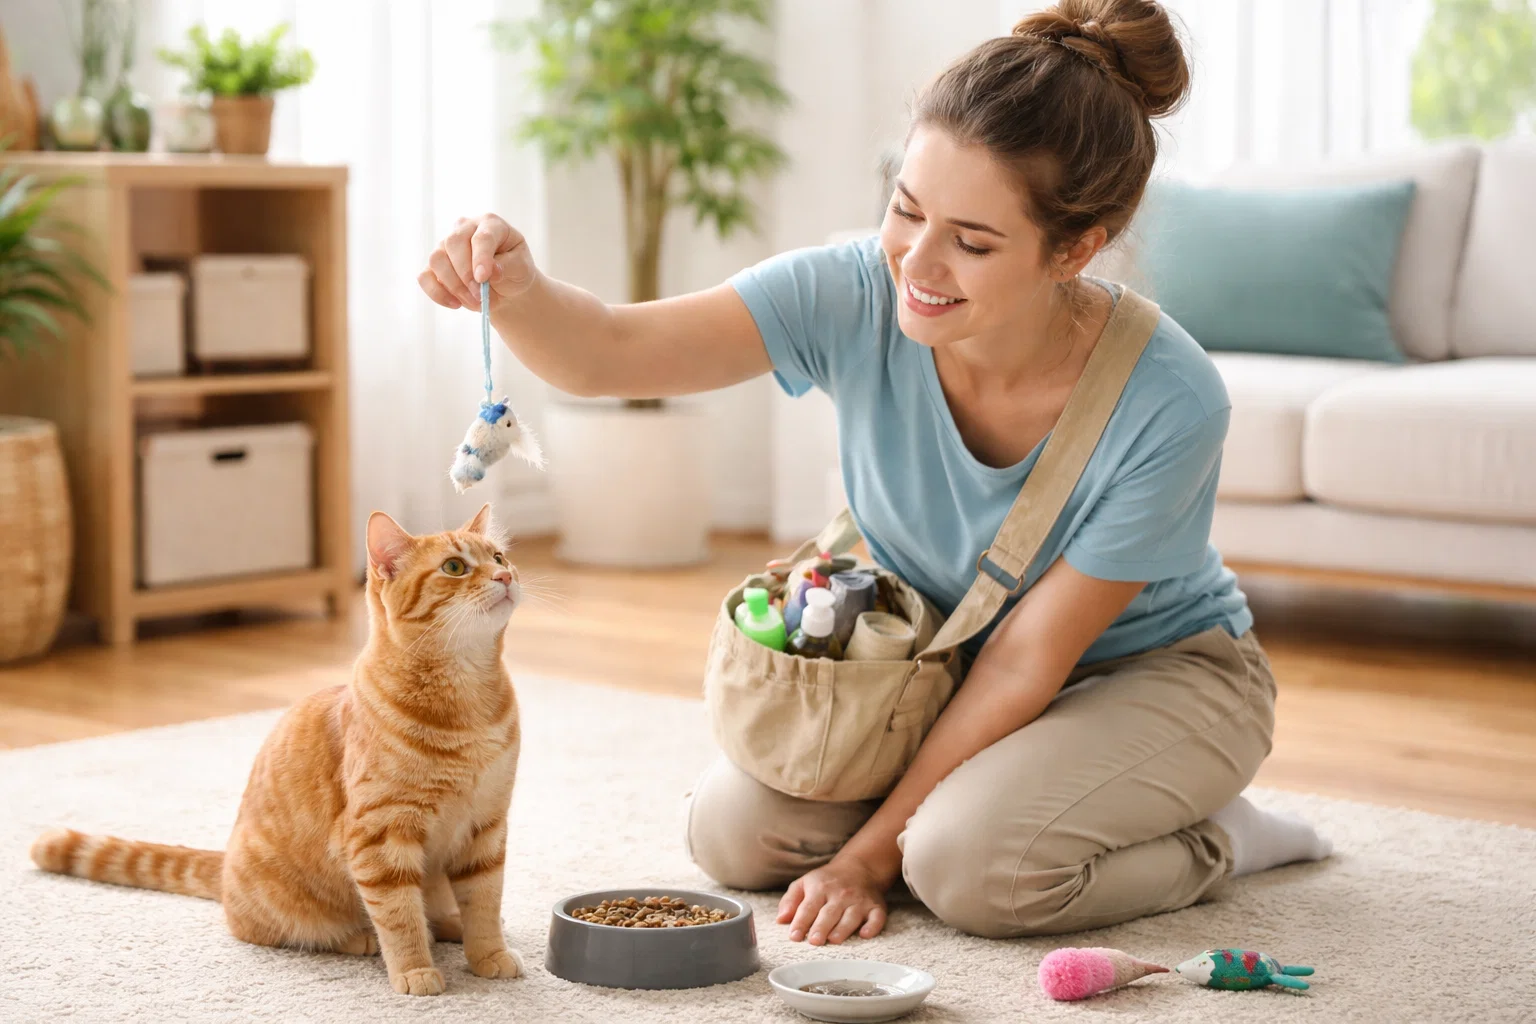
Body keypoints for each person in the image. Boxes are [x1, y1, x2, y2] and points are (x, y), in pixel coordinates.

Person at [419, 0, 1332, 949]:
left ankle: (1222, 835)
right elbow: (607, 354)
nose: (917, 262)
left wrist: (867, 857)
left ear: (1076, 248)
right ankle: (980, 805)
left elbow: (1028, 659)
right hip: (939, 662)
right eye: (905, 208)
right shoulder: (852, 289)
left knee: (969, 871)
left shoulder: (1171, 398)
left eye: (972, 242)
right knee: (734, 834)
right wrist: (519, 291)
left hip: (1152, 675)